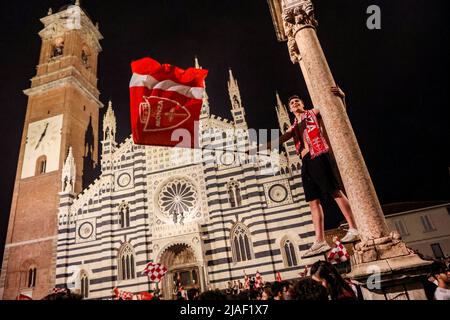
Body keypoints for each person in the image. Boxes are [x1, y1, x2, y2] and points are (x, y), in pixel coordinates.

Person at [265, 87, 359, 258]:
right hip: (306, 162)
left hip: (319, 154)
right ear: (290, 109)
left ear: (302, 104)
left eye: (297, 101)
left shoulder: (313, 113)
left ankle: (354, 227)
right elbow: (281, 139)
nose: (294, 104)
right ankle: (320, 241)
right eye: (292, 103)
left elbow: (337, 113)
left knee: (334, 191)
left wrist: (342, 97)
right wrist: (260, 147)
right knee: (312, 201)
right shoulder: (293, 126)